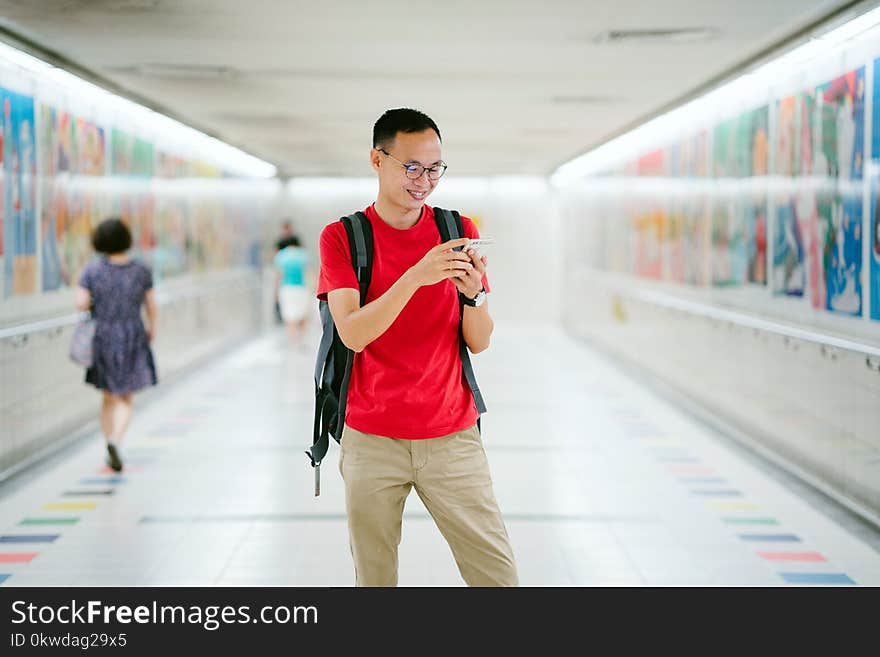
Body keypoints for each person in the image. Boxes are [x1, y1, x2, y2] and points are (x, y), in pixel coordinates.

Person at [317, 107, 518, 586]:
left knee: (497, 576)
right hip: (371, 436)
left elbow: (480, 340)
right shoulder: (343, 237)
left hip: (452, 434)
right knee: (376, 579)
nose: (424, 181)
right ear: (376, 159)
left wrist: (473, 295)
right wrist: (415, 277)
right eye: (411, 167)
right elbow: (353, 333)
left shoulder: (458, 230)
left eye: (434, 169)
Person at [74, 217, 158, 473]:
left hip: (103, 335)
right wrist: (152, 329)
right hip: (132, 333)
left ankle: (108, 447)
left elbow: (80, 303)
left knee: (109, 396)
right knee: (126, 397)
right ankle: (115, 442)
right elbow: (151, 306)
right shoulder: (141, 270)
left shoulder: (93, 270)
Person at [274, 234, 313, 344]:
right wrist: (313, 289)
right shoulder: (304, 254)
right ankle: (302, 339)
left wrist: (276, 292)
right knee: (303, 313)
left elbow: (279, 275)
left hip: (286, 289)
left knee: (289, 316)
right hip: (302, 288)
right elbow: (309, 273)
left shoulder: (281, 255)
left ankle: (293, 341)